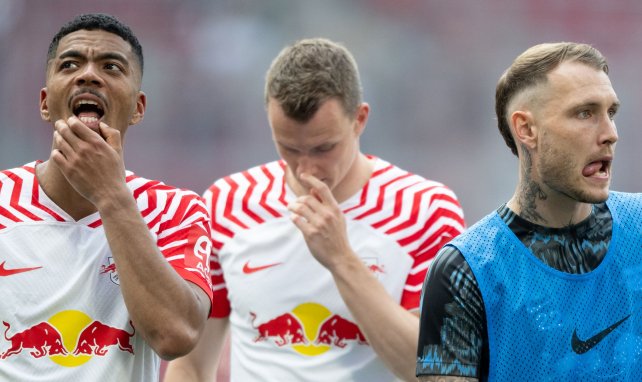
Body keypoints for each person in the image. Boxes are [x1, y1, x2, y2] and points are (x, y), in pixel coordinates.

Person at [164, 38, 465, 381]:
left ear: (360, 120)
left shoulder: (426, 210)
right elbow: (190, 365)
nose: (306, 169)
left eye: (324, 148)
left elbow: (434, 372)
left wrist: (341, 260)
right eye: (289, 148)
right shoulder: (226, 203)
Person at [0, 13, 213, 381]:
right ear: (45, 102)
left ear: (138, 108)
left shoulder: (175, 209)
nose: (88, 75)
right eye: (70, 64)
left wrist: (111, 195)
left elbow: (176, 335)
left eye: (111, 67)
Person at [416, 42, 642, 381]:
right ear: (526, 129)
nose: (611, 134)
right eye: (585, 113)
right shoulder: (464, 272)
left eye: (611, 113)